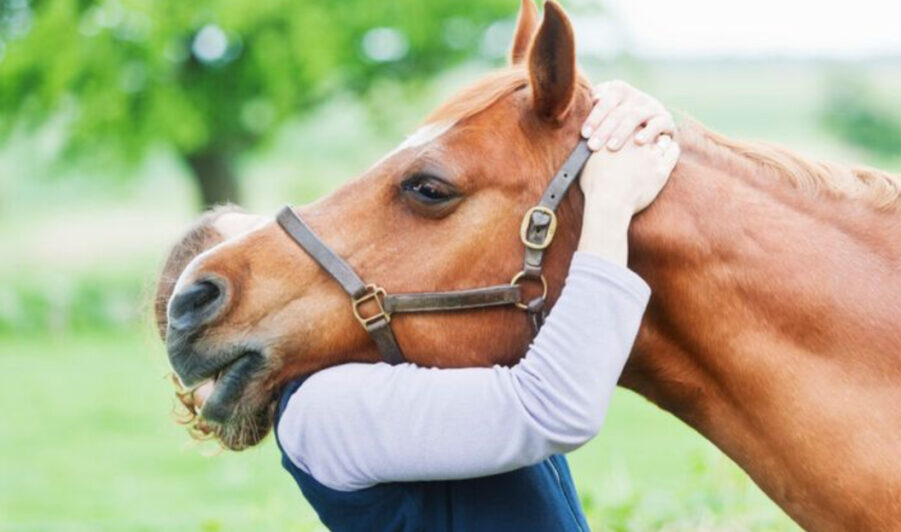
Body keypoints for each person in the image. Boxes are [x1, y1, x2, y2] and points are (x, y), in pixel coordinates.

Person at [158, 81, 678, 531]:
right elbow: (548, 408)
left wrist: (610, 115)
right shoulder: (320, 414)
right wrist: (609, 203)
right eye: (252, 251)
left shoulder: (389, 362)